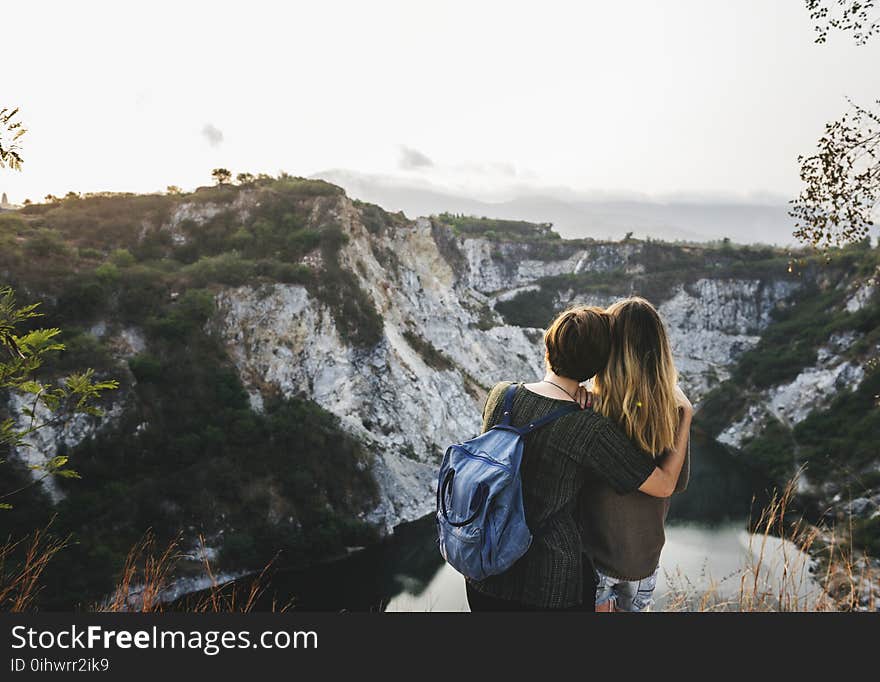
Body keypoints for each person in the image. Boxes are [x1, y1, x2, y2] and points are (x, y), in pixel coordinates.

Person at [466, 305, 692, 611]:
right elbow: (665, 484)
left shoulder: (501, 395)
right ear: (596, 365)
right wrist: (685, 413)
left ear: (547, 346)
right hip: (548, 582)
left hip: (484, 567)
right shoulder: (588, 428)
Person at [579, 296, 692, 613]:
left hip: (596, 558)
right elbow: (676, 482)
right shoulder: (671, 413)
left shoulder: (589, 407)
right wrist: (687, 415)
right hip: (643, 560)